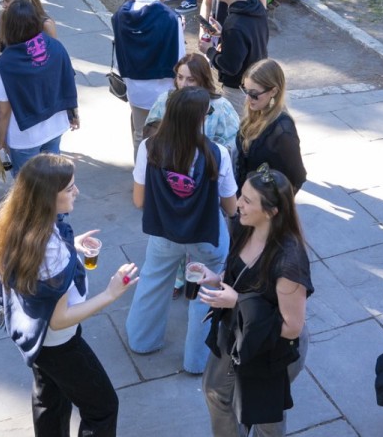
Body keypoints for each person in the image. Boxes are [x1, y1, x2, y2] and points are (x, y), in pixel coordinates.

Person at [0, 154, 139, 436]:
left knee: (49, 398)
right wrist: (111, 293)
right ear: (47, 197)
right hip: (59, 343)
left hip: (35, 337)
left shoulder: (17, 224)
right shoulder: (50, 250)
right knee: (103, 407)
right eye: (69, 188)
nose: (77, 191)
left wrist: (73, 244)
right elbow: (60, 319)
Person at [126, 86, 237, 373]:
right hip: (206, 234)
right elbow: (231, 206)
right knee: (207, 291)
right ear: (201, 118)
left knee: (153, 279)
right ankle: (197, 362)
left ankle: (142, 340)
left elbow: (139, 200)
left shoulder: (148, 147)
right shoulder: (218, 153)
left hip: (164, 231)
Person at [199, 168, 313, 436]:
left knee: (264, 417)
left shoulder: (289, 262)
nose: (238, 203)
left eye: (248, 200)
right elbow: (238, 270)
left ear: (271, 212)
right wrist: (216, 278)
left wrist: (236, 302)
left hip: (272, 350)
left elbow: (291, 327)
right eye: (242, 195)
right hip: (236, 333)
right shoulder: (243, 225)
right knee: (214, 391)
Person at [0, 0, 79, 174]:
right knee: (53, 180)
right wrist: (74, 112)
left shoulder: (6, 63)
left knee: (26, 189)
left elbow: (3, 110)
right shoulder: (56, 46)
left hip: (24, 137)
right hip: (56, 126)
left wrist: (1, 142)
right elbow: (68, 80)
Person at [114, 0, 185, 156]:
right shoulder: (171, 18)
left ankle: (140, 179)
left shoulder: (121, 13)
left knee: (140, 135)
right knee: (163, 138)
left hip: (134, 87)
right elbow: (179, 59)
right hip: (162, 91)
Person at [235, 59, 306, 193]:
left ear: (273, 91)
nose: (248, 98)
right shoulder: (254, 113)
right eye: (245, 90)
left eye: (254, 94)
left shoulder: (283, 130)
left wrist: (271, 207)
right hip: (244, 197)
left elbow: (297, 177)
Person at [204, 0, 269, 91]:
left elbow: (231, 67)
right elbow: (249, 36)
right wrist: (224, 34)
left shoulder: (234, 25)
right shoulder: (255, 6)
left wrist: (210, 51)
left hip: (240, 88)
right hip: (259, 76)